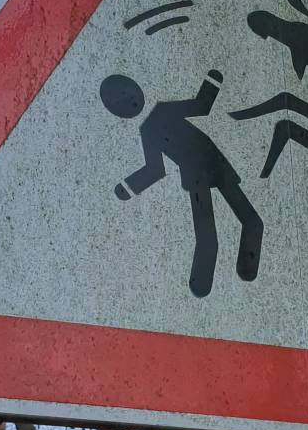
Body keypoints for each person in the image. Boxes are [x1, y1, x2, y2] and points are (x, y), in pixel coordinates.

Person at [100, 69, 264, 297]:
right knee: (223, 228)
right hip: (203, 168)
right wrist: (128, 187)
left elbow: (201, 106)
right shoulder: (152, 125)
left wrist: (212, 82)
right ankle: (204, 281)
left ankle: (229, 271)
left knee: (240, 223)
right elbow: (155, 170)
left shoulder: (155, 121)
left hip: (207, 164)